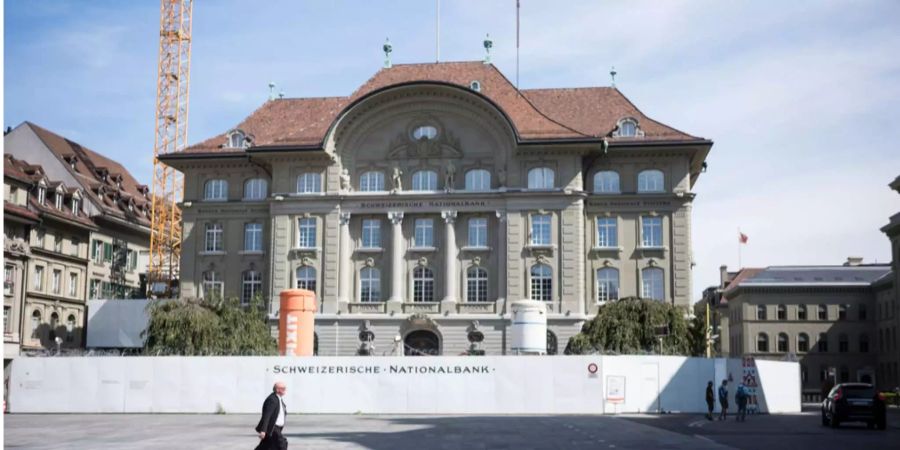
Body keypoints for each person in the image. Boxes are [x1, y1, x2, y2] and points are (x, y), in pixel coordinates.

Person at [255, 381, 288, 450]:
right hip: (272, 427)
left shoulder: (278, 398)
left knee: (266, 446)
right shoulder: (272, 399)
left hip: (277, 428)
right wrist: (263, 430)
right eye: (283, 388)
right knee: (282, 443)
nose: (285, 390)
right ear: (277, 389)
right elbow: (267, 416)